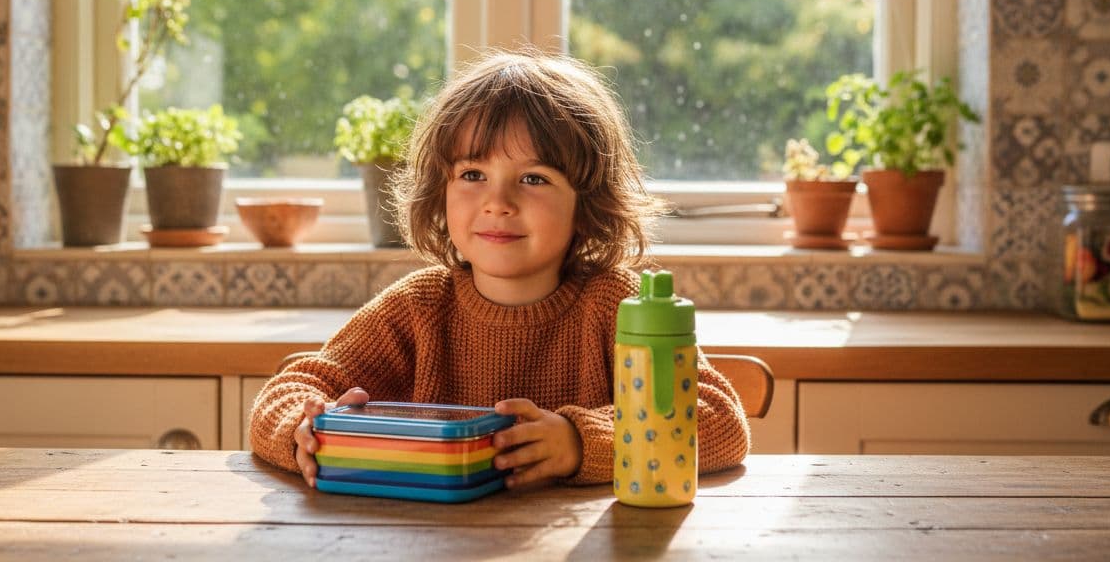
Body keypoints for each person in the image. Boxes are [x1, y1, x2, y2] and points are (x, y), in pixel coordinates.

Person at [249, 50, 749, 490]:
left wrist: (582, 443)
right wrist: (304, 430)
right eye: (472, 175)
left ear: (587, 203)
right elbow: (290, 390)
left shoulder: (618, 305)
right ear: (439, 193)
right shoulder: (418, 307)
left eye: (533, 178)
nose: (498, 202)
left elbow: (719, 421)